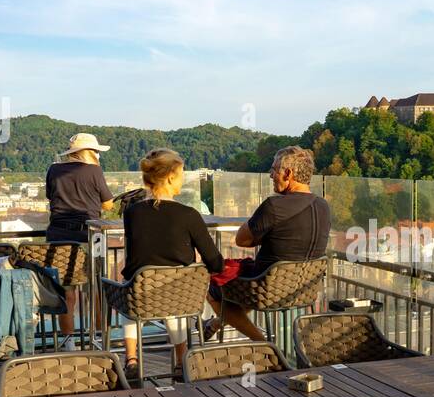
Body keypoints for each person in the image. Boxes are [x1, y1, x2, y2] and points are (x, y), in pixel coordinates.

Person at [120, 148, 224, 382]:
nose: (183, 179)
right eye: (181, 174)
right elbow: (214, 260)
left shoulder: (132, 213)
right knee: (176, 293)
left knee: (131, 288)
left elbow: (138, 253)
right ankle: (181, 361)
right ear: (169, 177)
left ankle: (132, 359)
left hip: (140, 296)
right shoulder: (188, 215)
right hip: (178, 297)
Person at [206, 145, 330, 341]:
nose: (271, 175)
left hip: (266, 288)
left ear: (288, 174)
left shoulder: (274, 206)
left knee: (214, 287)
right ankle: (215, 323)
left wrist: (263, 224)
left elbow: (242, 239)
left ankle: (263, 343)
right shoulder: (323, 206)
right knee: (243, 288)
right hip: (305, 288)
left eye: (274, 170)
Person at [45, 132, 115, 349]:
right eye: (95, 151)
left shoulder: (54, 170)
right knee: (96, 289)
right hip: (88, 235)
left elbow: (51, 196)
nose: (97, 155)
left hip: (58, 236)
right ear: (88, 152)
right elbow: (108, 204)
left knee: (66, 291)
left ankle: (68, 342)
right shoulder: (94, 170)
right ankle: (100, 339)